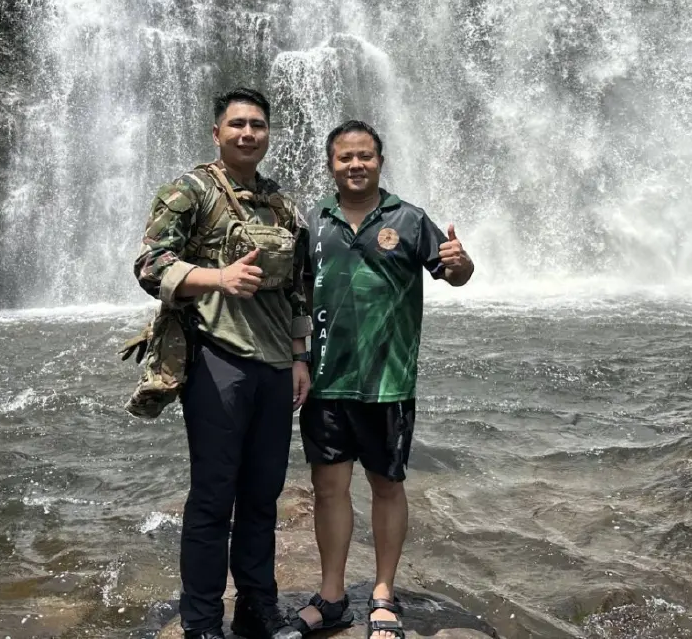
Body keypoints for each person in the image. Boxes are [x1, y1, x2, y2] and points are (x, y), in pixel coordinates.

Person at [133, 88, 313, 639]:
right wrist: (219, 278)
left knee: (263, 494)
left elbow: (299, 289)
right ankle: (202, 621)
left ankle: (258, 610)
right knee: (213, 496)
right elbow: (149, 264)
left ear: (268, 134)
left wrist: (300, 357)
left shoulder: (281, 205)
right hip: (217, 359)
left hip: (276, 364)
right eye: (236, 124)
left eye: (257, 125)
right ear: (217, 132)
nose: (247, 133)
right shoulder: (190, 190)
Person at [290, 120, 474, 639]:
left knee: (387, 487)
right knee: (328, 489)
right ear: (331, 165)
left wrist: (462, 264)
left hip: (387, 381)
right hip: (325, 381)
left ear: (380, 161)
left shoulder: (409, 219)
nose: (355, 165)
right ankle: (330, 598)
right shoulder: (313, 222)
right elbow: (299, 295)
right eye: (345, 157)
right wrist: (298, 357)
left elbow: (454, 272)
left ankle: (383, 593)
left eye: (365, 156)